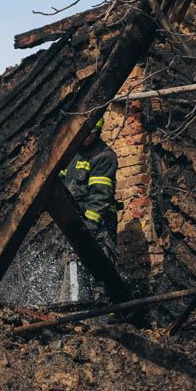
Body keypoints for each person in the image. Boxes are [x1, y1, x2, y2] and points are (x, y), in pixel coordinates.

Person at [58, 117, 118, 300]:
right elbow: (59, 183)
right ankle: (74, 308)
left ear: (96, 132)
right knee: (73, 267)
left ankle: (108, 314)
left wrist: (90, 225)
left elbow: (100, 196)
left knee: (101, 270)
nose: (84, 138)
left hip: (98, 225)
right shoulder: (71, 154)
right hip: (75, 222)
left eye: (88, 134)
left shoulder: (104, 156)